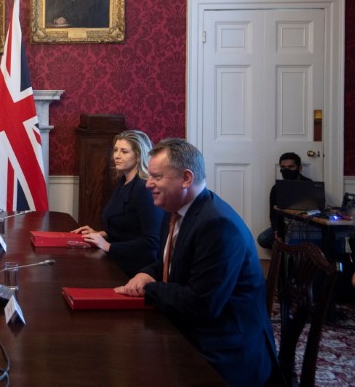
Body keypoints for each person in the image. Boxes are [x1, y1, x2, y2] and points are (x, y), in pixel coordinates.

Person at [114, 138, 277, 386]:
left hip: (225, 351)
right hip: (198, 331)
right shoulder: (177, 210)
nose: (148, 184)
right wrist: (147, 273)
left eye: (157, 177)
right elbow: (171, 263)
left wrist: (149, 289)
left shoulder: (217, 225)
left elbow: (201, 304)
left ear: (186, 178)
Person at [70, 130, 163, 276]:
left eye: (124, 151)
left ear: (138, 156)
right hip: (118, 260)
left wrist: (107, 246)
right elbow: (128, 229)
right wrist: (101, 234)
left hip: (137, 269)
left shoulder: (144, 189)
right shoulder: (123, 182)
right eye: (115, 150)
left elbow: (152, 241)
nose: (116, 156)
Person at [257, 151, 312, 249]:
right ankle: (284, 256)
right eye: (283, 167)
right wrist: (277, 231)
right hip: (284, 225)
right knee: (263, 238)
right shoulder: (276, 188)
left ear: (299, 168)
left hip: (305, 225)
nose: (286, 170)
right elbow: (273, 214)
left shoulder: (309, 185)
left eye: (291, 167)